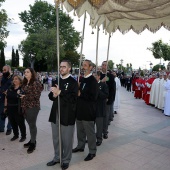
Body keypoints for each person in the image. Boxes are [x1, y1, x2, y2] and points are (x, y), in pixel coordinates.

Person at [47, 60, 78, 170]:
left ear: (69, 69)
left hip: (67, 114)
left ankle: (66, 160)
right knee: (56, 138)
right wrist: (54, 95)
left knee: (67, 139)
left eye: (64, 67)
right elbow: (50, 96)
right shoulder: (57, 80)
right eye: (60, 67)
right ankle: (57, 157)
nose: (61, 69)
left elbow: (73, 99)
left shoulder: (74, 82)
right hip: (55, 113)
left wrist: (60, 92)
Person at [72, 60, 98, 161]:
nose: (83, 67)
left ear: (91, 67)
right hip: (79, 110)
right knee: (80, 131)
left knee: (90, 133)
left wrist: (81, 94)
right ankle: (80, 146)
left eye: (85, 65)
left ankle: (92, 151)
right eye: (83, 65)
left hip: (88, 111)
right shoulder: (82, 79)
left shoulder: (93, 81)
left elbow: (94, 97)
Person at [21, 67, 42, 154]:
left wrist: (25, 96)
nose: (25, 73)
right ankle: (32, 140)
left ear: (32, 73)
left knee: (32, 125)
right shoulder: (25, 82)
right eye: (25, 72)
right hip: (25, 106)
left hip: (33, 107)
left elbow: (36, 96)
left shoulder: (36, 83)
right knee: (30, 124)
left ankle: (33, 143)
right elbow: (24, 92)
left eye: (27, 72)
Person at [4, 75, 26, 142]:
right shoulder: (10, 87)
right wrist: (5, 107)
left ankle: (23, 136)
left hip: (18, 108)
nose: (14, 80)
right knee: (12, 122)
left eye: (16, 79)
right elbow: (6, 97)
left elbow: (24, 99)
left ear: (20, 80)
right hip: (10, 107)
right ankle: (16, 135)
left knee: (20, 123)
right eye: (13, 79)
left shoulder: (22, 88)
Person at [100, 61, 116, 138]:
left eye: (105, 65)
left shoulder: (110, 76)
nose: (103, 66)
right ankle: (98, 132)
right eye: (102, 65)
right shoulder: (98, 75)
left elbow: (113, 89)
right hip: (98, 100)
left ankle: (105, 131)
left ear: (107, 67)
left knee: (105, 116)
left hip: (106, 100)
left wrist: (110, 99)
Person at [93, 71, 108, 146]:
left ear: (99, 76)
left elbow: (105, 95)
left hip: (99, 109)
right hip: (91, 109)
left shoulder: (103, 85)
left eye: (95, 76)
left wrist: (97, 90)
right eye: (93, 76)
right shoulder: (91, 85)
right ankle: (91, 138)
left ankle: (99, 139)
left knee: (99, 126)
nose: (94, 77)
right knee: (90, 125)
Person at [0, 65, 12, 135]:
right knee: (1, 113)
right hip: (2, 98)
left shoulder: (13, 78)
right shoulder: (2, 78)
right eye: (3, 70)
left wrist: (8, 91)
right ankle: (1, 127)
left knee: (10, 114)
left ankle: (9, 128)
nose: (3, 71)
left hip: (10, 99)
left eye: (5, 70)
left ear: (9, 70)